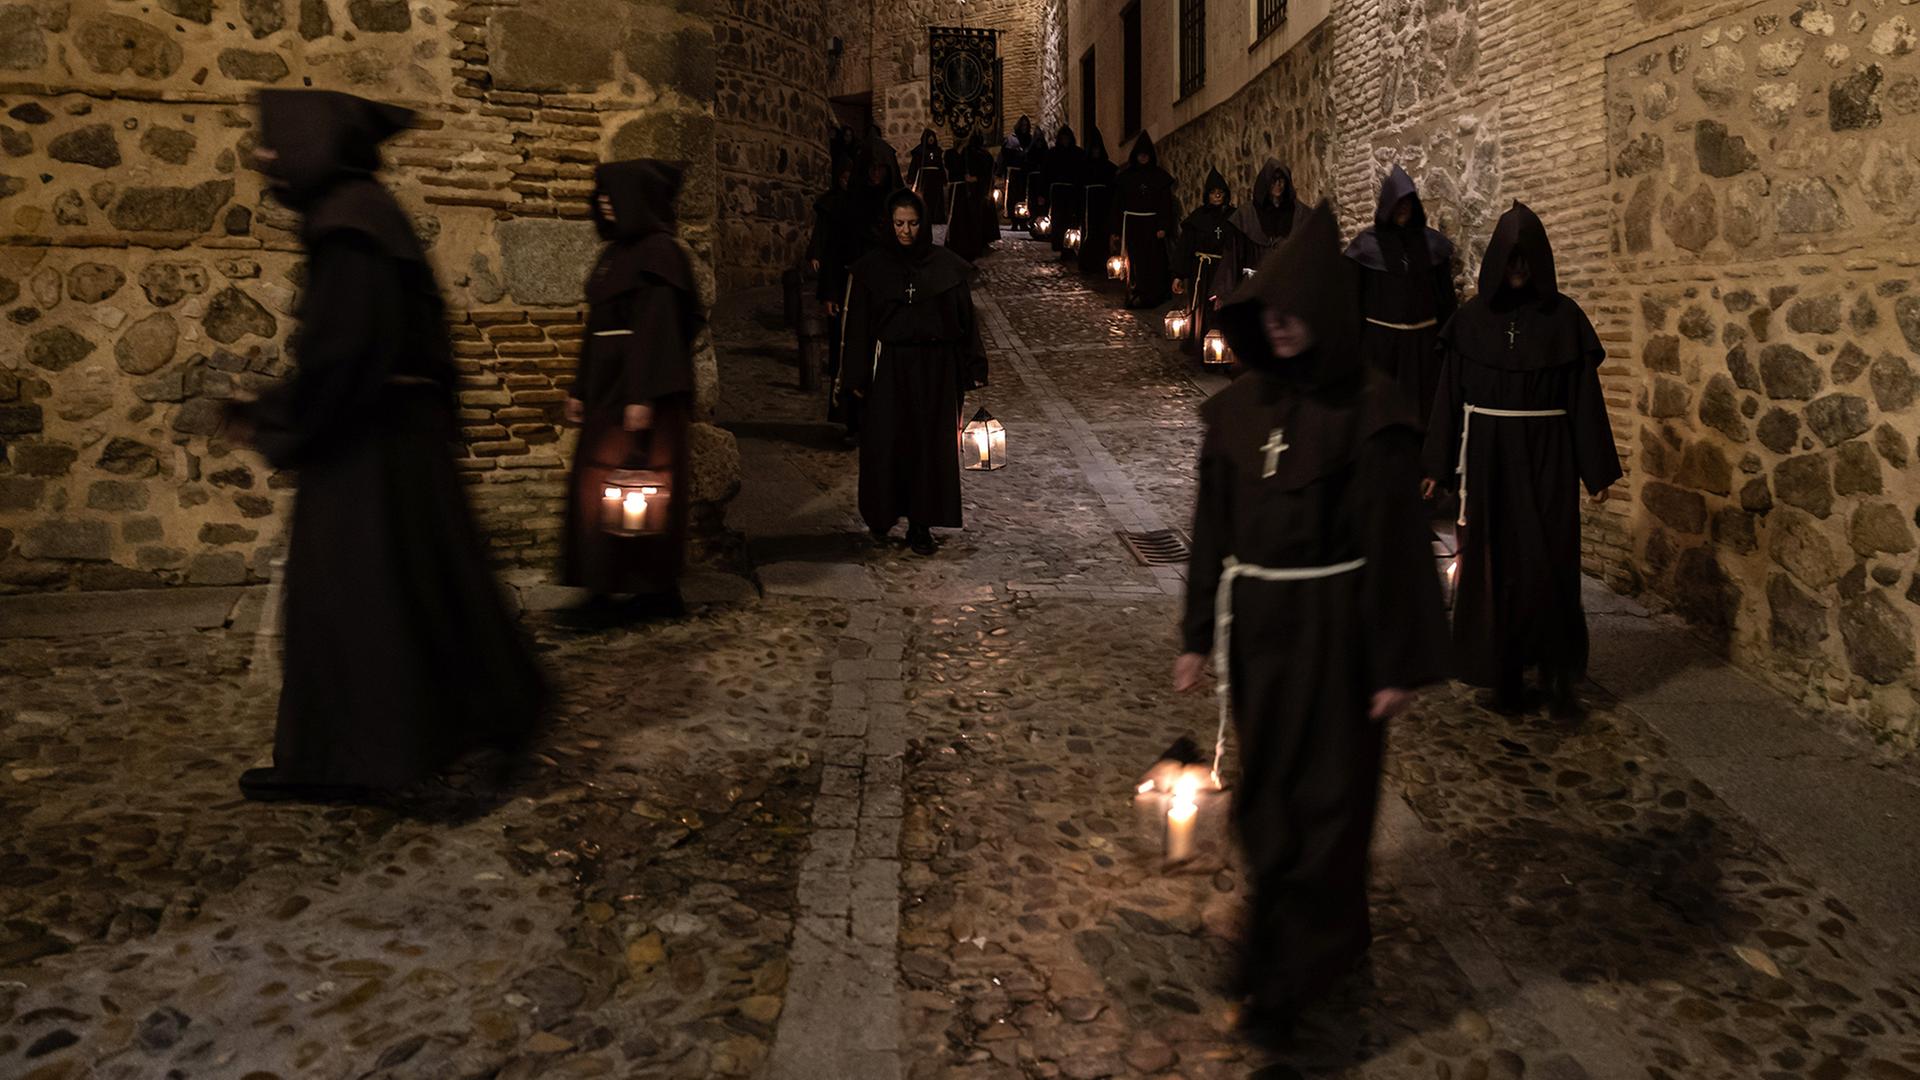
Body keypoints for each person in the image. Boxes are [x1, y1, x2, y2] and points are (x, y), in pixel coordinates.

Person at [1175, 202, 1449, 1043]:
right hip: (1260, 631)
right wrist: (1193, 636)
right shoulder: (1235, 414)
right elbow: (1213, 528)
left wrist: (1398, 659)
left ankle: (1296, 969)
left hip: (1339, 627)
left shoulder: (1371, 409)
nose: (1282, 328)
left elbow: (1398, 542)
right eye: (1270, 314)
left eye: (1295, 313)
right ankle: (1301, 934)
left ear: (1324, 314)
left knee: (1333, 795)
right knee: (1272, 793)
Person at [229, 90, 547, 802]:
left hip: (368, 451)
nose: (263, 156)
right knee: (422, 592)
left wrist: (277, 421)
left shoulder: (349, 227)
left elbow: (342, 356)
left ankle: (355, 758)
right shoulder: (367, 214)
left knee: (350, 603)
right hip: (394, 442)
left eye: (276, 142)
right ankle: (475, 718)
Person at [1422, 201, 1620, 717]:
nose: (1518, 272)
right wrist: (1436, 464)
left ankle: (1556, 675)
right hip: (1488, 459)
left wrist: (1595, 468)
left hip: (1548, 458)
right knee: (1493, 565)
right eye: (1510, 263)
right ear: (1496, 263)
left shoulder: (1565, 318)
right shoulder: (1469, 321)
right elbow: (1447, 397)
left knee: (1552, 560)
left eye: (1526, 263)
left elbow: (1584, 397)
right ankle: (1502, 672)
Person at [558, 159, 703, 629]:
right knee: (593, 491)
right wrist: (581, 387)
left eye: (612, 192)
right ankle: (604, 585)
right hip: (608, 391)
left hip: (643, 398)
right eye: (600, 193)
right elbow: (598, 327)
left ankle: (650, 588)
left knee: (640, 493)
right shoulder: (616, 254)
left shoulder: (660, 254)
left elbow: (658, 332)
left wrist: (642, 396)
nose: (602, 200)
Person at [837, 191, 989, 556]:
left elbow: (965, 320)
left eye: (913, 223)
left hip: (937, 371)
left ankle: (921, 524)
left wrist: (972, 366)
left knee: (929, 447)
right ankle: (883, 513)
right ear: (890, 224)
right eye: (899, 223)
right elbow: (858, 326)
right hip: (890, 367)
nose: (906, 231)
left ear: (923, 224)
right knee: (887, 441)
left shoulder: (946, 267)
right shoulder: (872, 268)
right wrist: (855, 377)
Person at [1345, 165, 1457, 429]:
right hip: (1380, 348)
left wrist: (1446, 342)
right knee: (1382, 414)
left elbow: (1445, 300)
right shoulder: (1366, 246)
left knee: (1423, 413)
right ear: (1387, 205)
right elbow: (1354, 302)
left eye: (1407, 202)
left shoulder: (1432, 244)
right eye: (1397, 203)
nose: (1402, 208)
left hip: (1423, 346)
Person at [809, 156, 868, 424]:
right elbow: (827, 242)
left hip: (865, 292)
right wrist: (829, 292)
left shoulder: (865, 205)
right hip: (843, 287)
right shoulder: (834, 205)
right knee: (842, 353)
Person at [1109, 131, 1180, 308]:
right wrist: (1116, 230)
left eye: (1146, 155)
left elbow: (1165, 204)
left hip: (1151, 226)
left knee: (1153, 261)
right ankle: (1135, 293)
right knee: (1133, 262)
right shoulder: (1125, 177)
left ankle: (1153, 295)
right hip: (1132, 226)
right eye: (1140, 155)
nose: (1143, 158)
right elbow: (1118, 205)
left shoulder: (1159, 177)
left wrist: (1163, 226)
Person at [1172, 166, 1236, 355]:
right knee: (1202, 309)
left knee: (1221, 309)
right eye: (1214, 193)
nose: (1217, 196)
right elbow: (1185, 247)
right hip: (1201, 270)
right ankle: (1202, 348)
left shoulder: (1233, 217)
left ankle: (1223, 352)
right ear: (1207, 195)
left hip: (1224, 271)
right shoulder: (1197, 218)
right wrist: (1178, 275)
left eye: (1221, 193)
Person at [1220, 159, 1306, 289]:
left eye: (1281, 180)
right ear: (1266, 182)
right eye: (1274, 180)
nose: (1278, 184)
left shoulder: (1299, 213)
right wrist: (1224, 290)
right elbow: (1233, 256)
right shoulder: (1246, 215)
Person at [945, 133, 998, 261]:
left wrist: (976, 179)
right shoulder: (952, 153)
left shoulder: (972, 154)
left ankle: (970, 244)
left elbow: (982, 171)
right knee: (960, 216)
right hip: (961, 189)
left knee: (970, 217)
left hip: (970, 190)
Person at [1076, 127, 1118, 278]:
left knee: (1102, 231)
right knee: (1089, 232)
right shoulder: (1083, 167)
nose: (1095, 152)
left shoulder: (1109, 168)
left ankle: (1101, 262)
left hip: (1103, 204)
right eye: (1093, 149)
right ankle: (1088, 263)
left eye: (1097, 149)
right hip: (1088, 204)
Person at [1045, 125, 1087, 256]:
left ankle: (1071, 245)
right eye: (1062, 138)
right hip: (1058, 192)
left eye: (1067, 138)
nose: (1065, 141)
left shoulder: (1078, 153)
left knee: (1072, 219)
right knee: (1059, 220)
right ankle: (1061, 246)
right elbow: (1046, 173)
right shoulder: (1053, 153)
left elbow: (1081, 172)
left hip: (1072, 191)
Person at [908, 128, 948, 229]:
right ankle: (924, 218)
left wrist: (944, 178)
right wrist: (911, 179)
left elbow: (940, 166)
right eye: (929, 137)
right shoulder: (919, 151)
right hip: (924, 180)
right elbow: (914, 166)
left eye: (932, 137)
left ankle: (936, 219)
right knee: (925, 200)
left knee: (937, 200)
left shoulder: (937, 151)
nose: (931, 139)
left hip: (936, 180)